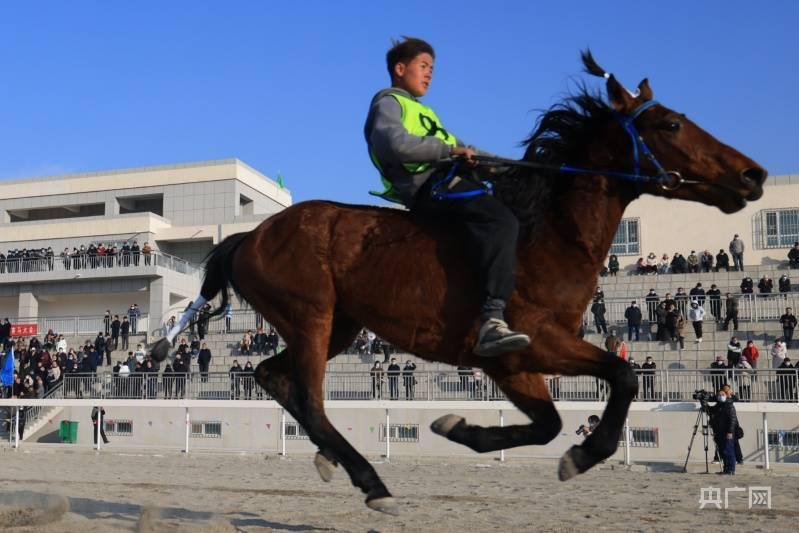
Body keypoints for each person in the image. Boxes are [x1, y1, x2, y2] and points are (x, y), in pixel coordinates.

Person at [364, 37, 529, 357]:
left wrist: (510, 167)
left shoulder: (426, 112)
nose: (429, 74)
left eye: (432, 69)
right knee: (500, 220)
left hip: (450, 177)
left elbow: (469, 150)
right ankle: (492, 320)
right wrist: (450, 150)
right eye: (423, 66)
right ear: (400, 69)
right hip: (429, 187)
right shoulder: (387, 103)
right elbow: (394, 145)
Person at [709, 388, 738, 474]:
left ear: (726, 395)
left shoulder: (729, 405)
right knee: (723, 451)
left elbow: (733, 420)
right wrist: (704, 403)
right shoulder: (718, 405)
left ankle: (731, 470)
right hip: (719, 432)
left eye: (722, 395)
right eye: (719, 395)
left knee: (728, 451)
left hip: (727, 432)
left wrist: (730, 431)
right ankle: (726, 469)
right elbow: (710, 410)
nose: (720, 396)